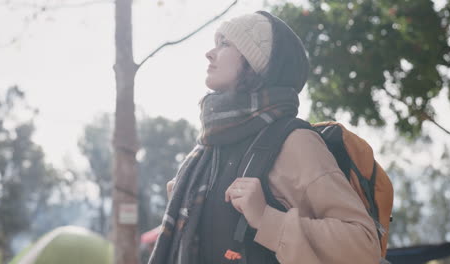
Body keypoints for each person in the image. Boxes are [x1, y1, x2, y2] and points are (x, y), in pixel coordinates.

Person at [148, 11, 381, 264]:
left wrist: (266, 219)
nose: (210, 53)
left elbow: (364, 245)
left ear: (256, 62)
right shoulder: (208, 149)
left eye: (225, 44)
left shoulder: (294, 141)